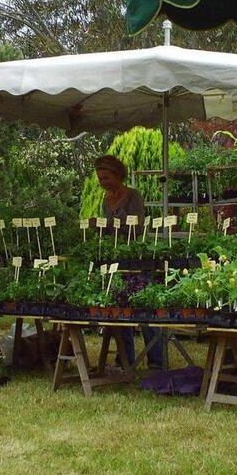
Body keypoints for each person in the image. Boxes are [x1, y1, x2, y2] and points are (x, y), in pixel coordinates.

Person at [94, 155, 164, 369]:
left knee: (144, 308)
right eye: (100, 178)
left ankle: (156, 360)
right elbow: (109, 230)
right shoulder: (105, 200)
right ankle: (125, 358)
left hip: (137, 258)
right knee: (119, 307)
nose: (103, 182)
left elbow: (138, 227)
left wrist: (110, 225)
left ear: (118, 175)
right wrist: (99, 227)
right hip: (116, 258)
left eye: (106, 177)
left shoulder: (134, 196)